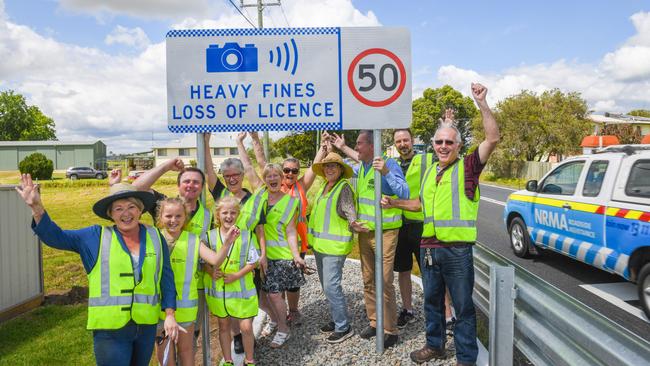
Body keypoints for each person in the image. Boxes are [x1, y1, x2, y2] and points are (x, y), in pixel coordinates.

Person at [383, 83, 499, 365]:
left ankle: (466, 358)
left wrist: (482, 103)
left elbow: (492, 138)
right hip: (429, 249)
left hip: (457, 250)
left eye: (449, 142)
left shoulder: (468, 167)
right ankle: (435, 346)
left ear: (458, 146)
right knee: (432, 302)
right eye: (439, 142)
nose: (444, 146)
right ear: (433, 145)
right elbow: (420, 205)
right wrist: (394, 203)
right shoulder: (430, 172)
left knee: (462, 307)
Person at [17, 176, 181, 366]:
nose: (126, 213)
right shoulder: (94, 237)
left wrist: (169, 314)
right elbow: (56, 237)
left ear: (140, 209)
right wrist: (37, 208)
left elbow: (166, 278)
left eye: (131, 207)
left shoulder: (155, 237)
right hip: (110, 331)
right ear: (110, 214)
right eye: (118, 209)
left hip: (145, 327)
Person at [331, 129, 410, 349]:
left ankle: (391, 330)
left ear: (372, 145)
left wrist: (385, 172)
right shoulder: (363, 166)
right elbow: (356, 157)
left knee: (384, 281)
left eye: (359, 143)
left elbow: (403, 192)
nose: (356, 147)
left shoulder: (389, 164)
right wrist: (341, 146)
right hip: (366, 232)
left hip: (385, 233)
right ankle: (375, 322)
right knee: (368, 279)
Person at [245, 131, 327, 326]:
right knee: (275, 283)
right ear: (282, 171)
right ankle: (279, 315)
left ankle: (294, 311)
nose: (290, 174)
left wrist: (323, 148)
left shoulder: (301, 186)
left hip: (296, 242)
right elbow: (261, 162)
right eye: (287, 170)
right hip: (273, 245)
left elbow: (314, 169)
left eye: (294, 171)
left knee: (292, 283)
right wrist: (256, 139)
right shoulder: (273, 187)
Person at [154, 197, 233, 366]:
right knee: (165, 354)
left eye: (178, 216)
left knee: (186, 350)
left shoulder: (193, 240)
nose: (173, 220)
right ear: (160, 217)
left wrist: (226, 244)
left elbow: (214, 259)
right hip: (158, 308)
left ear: (185, 218)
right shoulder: (153, 239)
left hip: (185, 308)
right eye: (168, 216)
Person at [309, 151, 369, 343]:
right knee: (327, 287)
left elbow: (349, 210)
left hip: (334, 247)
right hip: (320, 246)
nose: (329, 169)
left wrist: (354, 223)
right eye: (326, 166)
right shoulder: (324, 187)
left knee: (332, 287)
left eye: (333, 166)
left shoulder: (343, 188)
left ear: (341, 169)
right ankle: (337, 321)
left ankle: (343, 327)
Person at [254, 163, 306, 348]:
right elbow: (247, 167)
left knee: (275, 295)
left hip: (280, 256)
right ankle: (275, 319)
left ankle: (284, 329)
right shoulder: (258, 198)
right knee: (261, 298)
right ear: (264, 179)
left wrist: (296, 255)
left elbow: (291, 231)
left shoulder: (291, 202)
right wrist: (242, 142)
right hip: (259, 255)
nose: (273, 178)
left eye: (276, 175)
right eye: (269, 176)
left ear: (281, 178)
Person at [203, 197, 260, 366]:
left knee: (246, 328)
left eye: (233, 212)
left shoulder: (247, 236)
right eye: (225, 212)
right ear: (218, 215)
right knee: (223, 326)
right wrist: (211, 271)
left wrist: (236, 276)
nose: (229, 216)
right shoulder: (209, 236)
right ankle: (228, 360)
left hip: (242, 291)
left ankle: (249, 360)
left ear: (238, 215)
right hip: (220, 293)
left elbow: (253, 262)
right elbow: (202, 263)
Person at [391, 128, 435, 328]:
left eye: (405, 140)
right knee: (403, 270)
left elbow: (449, 154)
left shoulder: (426, 159)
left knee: (431, 271)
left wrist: (450, 125)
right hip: (399, 226)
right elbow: (361, 156)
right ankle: (408, 310)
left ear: (412, 140)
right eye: (398, 141)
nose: (403, 144)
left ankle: (444, 314)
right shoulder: (392, 164)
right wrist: (342, 147)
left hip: (422, 225)